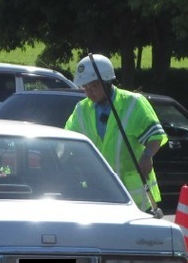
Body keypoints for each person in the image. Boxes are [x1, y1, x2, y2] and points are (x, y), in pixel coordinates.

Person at [65, 54, 167, 211]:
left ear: (107, 82)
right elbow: (68, 142)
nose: (89, 92)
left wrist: (147, 156)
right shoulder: (81, 109)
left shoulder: (133, 103)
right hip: (97, 192)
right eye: (85, 87)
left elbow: (155, 135)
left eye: (93, 86)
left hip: (134, 196)